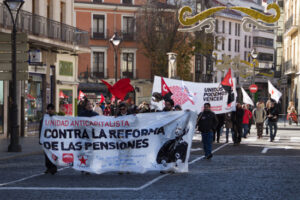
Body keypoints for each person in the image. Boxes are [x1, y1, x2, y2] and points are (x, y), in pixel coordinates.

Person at [39, 104, 57, 175]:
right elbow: (41, 129)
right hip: (46, 139)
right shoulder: (44, 119)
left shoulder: (56, 118)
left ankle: (53, 167)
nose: (50, 110)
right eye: (48, 109)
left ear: (53, 110)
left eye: (51, 109)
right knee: (46, 154)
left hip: (54, 140)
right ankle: (48, 167)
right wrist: (40, 139)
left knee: (53, 154)